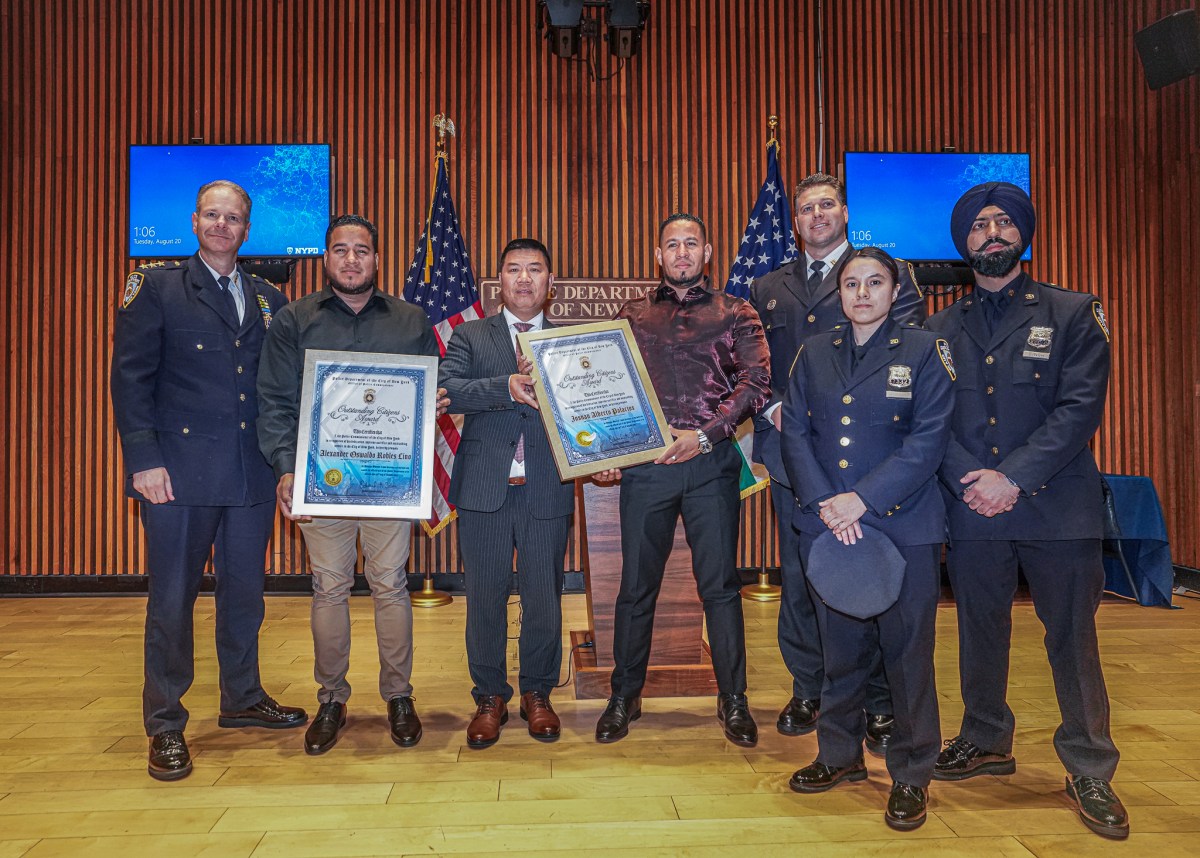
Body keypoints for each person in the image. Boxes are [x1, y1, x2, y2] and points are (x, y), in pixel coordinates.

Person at [926, 182, 1127, 839]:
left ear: (1023, 236)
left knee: (1071, 638)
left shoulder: (1073, 313)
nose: (991, 233)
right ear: (964, 243)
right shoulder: (937, 329)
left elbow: (1078, 412)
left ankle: (1089, 766)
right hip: (974, 507)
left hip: (1054, 506)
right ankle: (985, 739)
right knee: (980, 628)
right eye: (979, 225)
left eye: (1003, 223)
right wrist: (971, 481)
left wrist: (1010, 478)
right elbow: (932, 422)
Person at [110, 180, 307, 782]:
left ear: (248, 229)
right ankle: (165, 723)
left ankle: (242, 697)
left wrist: (284, 466)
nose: (223, 226)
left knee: (244, 595)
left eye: (235, 218)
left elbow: (276, 390)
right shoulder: (158, 288)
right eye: (213, 216)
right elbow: (130, 378)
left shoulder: (270, 297)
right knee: (172, 600)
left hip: (249, 473)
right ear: (194, 222)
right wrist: (143, 459)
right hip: (178, 475)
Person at [257, 214, 447, 755]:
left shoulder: (411, 321)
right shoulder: (294, 320)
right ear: (326, 258)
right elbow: (274, 402)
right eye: (340, 250)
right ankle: (332, 698)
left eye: (361, 250)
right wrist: (286, 469)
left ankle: (399, 696)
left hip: (388, 482)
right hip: (322, 481)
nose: (351, 260)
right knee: (329, 588)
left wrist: (433, 401)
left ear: (377, 259)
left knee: (390, 584)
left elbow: (428, 394)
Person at [750, 172, 926, 752]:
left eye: (827, 205)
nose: (817, 215)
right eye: (806, 209)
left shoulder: (883, 276)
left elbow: (911, 366)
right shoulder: (768, 285)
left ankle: (876, 699)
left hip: (871, 464)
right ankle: (809, 688)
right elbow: (755, 365)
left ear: (845, 213)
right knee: (801, 580)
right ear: (794, 220)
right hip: (792, 455)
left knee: (871, 576)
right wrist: (775, 406)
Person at [780, 247, 954, 830]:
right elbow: (796, 435)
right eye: (851, 283)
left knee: (907, 658)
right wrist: (831, 504)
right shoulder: (813, 354)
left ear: (894, 289)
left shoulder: (926, 351)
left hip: (902, 526)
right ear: (839, 294)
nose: (861, 293)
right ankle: (839, 755)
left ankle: (911, 774)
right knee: (841, 651)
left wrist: (864, 499)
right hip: (831, 525)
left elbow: (928, 440)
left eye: (873, 282)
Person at [594, 213, 771, 748]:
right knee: (635, 589)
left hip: (710, 464)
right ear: (658, 255)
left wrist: (707, 434)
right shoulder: (631, 314)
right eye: (672, 244)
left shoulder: (736, 311)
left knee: (719, 588)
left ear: (707, 251)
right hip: (646, 469)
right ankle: (624, 696)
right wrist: (605, 450)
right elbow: (606, 386)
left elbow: (756, 381)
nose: (681, 252)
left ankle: (733, 699)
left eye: (691, 243)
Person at [438, 238, 575, 748]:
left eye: (534, 270)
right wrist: (504, 387)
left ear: (549, 283)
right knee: (486, 598)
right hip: (484, 489)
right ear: (499, 282)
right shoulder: (472, 336)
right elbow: (448, 390)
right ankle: (489, 696)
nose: (524, 279)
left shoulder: (570, 342)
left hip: (546, 488)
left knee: (544, 597)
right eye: (513, 269)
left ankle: (538, 694)